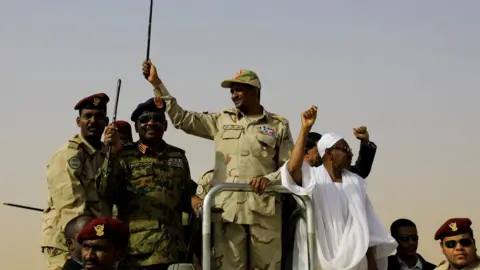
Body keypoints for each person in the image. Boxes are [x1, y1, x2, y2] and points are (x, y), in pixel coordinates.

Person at [142, 61, 294, 270]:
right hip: (227, 213)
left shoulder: (278, 124)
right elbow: (182, 119)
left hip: (264, 212)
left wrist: (269, 179)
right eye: (231, 91)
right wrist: (157, 83)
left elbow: (289, 167)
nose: (233, 95)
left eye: (239, 89)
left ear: (255, 90)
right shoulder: (221, 120)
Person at [281, 105, 397, 270]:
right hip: (318, 262)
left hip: (357, 264)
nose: (350, 154)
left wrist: (371, 263)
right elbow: (292, 169)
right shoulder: (312, 178)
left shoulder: (355, 183)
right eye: (345, 149)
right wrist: (305, 129)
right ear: (328, 153)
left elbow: (367, 229)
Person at [99, 97, 202, 270]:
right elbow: (106, 191)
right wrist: (112, 155)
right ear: (137, 127)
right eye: (144, 120)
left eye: (157, 119)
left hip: (174, 250)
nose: (151, 123)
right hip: (139, 253)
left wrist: (194, 199)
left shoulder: (178, 157)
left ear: (165, 125)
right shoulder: (124, 156)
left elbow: (184, 194)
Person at [41, 93, 113, 270]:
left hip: (93, 241)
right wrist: (88, 246)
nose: (93, 121)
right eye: (88, 116)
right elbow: (71, 210)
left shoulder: (108, 155)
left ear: (106, 121)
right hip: (68, 243)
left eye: (98, 116)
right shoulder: (68, 156)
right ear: (78, 121)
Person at [305, 128, 377, 178]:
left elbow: (359, 172)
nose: (324, 155)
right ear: (306, 153)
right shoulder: (299, 176)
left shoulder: (334, 173)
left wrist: (365, 142)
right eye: (319, 152)